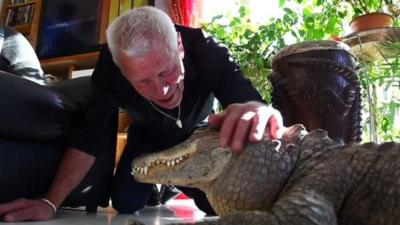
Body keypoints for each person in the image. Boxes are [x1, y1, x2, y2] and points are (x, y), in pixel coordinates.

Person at [0, 6, 283, 221]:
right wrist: (50, 202)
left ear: (179, 47)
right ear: (124, 73)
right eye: (144, 81)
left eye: (167, 71)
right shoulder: (111, 70)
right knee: (125, 203)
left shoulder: (206, 48)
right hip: (146, 133)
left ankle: (169, 184)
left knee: (210, 205)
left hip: (198, 134)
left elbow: (250, 102)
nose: (163, 90)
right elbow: (90, 137)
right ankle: (160, 184)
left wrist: (258, 111)